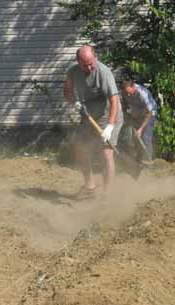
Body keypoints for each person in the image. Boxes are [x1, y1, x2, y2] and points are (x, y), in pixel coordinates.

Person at [63, 45, 124, 199]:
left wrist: (110, 127)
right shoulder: (72, 72)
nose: (90, 67)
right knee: (79, 147)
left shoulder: (103, 72)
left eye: (91, 63)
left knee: (106, 153)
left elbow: (114, 100)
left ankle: (106, 195)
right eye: (85, 65)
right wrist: (75, 102)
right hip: (88, 113)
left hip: (108, 114)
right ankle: (90, 186)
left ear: (95, 58)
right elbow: (68, 91)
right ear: (78, 62)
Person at [121, 74, 158, 162]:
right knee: (136, 138)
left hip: (149, 115)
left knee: (145, 137)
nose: (128, 94)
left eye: (129, 92)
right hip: (137, 115)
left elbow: (149, 112)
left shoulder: (142, 93)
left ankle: (148, 163)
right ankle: (140, 160)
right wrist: (126, 114)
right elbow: (125, 104)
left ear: (133, 87)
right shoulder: (125, 92)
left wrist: (141, 129)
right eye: (126, 93)